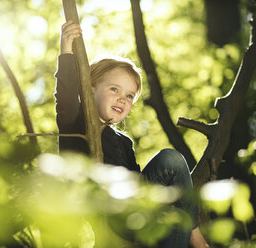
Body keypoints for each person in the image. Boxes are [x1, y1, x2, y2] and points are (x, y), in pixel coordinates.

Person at [54, 20, 209, 248]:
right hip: (109, 216)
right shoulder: (74, 124)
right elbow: (65, 96)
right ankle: (199, 241)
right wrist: (66, 48)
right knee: (171, 159)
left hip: (137, 214)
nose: (122, 99)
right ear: (90, 88)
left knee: (176, 218)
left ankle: (187, 233)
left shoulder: (123, 142)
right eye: (114, 89)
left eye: (129, 96)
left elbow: (137, 180)